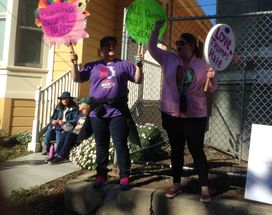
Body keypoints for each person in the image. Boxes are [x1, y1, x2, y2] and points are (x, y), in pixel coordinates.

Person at [148, 20, 218, 203]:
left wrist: (211, 78)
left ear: (192, 46)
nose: (178, 46)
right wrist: (156, 29)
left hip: (195, 115)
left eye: (182, 43)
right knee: (176, 150)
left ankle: (205, 187)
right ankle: (176, 184)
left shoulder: (203, 65)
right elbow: (152, 49)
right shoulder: (168, 58)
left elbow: (210, 89)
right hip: (171, 114)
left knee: (196, 150)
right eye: (177, 43)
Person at [70, 36, 143, 190]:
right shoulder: (93, 66)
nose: (110, 47)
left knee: (120, 144)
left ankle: (124, 176)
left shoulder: (124, 64)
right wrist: (74, 63)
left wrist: (139, 66)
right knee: (101, 145)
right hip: (97, 113)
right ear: (101, 49)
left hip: (117, 111)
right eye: (107, 45)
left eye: (113, 45)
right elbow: (77, 78)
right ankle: (101, 175)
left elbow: (137, 80)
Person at [47, 97, 91, 164]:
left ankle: (62, 155)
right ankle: (57, 154)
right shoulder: (81, 113)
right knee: (66, 132)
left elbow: (86, 128)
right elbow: (75, 122)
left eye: (80, 104)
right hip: (76, 131)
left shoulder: (89, 115)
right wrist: (65, 124)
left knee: (70, 134)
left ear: (85, 106)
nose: (78, 105)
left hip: (82, 134)